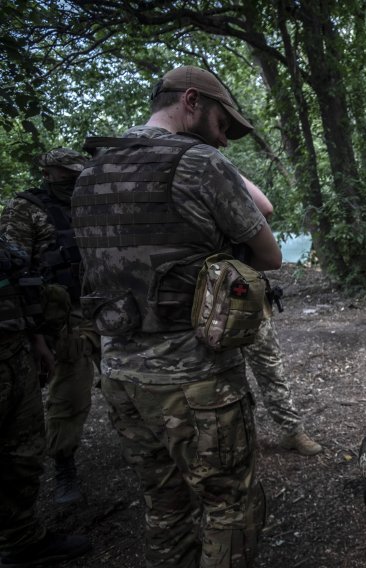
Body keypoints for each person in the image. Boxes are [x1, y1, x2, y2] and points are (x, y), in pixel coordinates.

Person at [71, 65, 281, 567]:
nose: (225, 138)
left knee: (163, 505)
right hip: (195, 377)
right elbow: (269, 254)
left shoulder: (90, 172)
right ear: (191, 100)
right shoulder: (197, 164)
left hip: (120, 374)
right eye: (222, 124)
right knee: (229, 505)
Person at [0, 147, 99, 505]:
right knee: (69, 394)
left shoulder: (91, 202)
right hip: (64, 316)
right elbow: (16, 272)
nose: (73, 182)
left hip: (107, 307)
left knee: (130, 383)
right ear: (49, 174)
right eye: (66, 175)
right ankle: (64, 465)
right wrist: (35, 334)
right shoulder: (25, 210)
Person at [0, 233, 92, 566]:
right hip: (34, 336)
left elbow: (16, 274)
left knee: (22, 452)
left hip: (16, 340)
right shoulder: (26, 209)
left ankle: (21, 539)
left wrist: (35, 336)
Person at [238, 180, 322, 457]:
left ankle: (291, 431)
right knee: (222, 375)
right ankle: (240, 438)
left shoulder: (211, 168)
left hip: (243, 292)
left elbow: (264, 208)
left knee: (268, 367)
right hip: (203, 299)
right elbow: (266, 206)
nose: (223, 141)